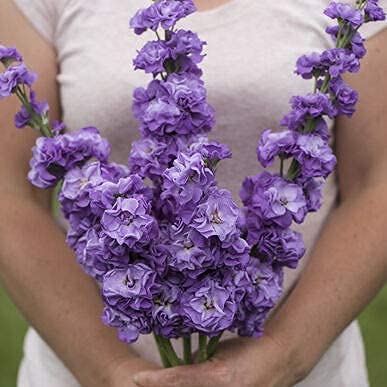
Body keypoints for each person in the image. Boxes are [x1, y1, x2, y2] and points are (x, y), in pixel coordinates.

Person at [1, 0, 386, 386]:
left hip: (303, 371)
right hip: (83, 369)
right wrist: (111, 372)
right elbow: (9, 194)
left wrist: (282, 357)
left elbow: (378, 183)